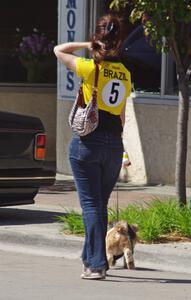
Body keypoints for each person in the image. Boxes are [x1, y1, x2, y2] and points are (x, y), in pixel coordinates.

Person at [54, 13, 132, 280]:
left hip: (88, 142)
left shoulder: (89, 67)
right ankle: (90, 260)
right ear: (119, 40)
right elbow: (121, 114)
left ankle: (97, 264)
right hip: (113, 143)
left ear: (98, 37)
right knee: (98, 204)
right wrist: (123, 149)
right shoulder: (124, 73)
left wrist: (88, 45)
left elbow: (58, 50)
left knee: (90, 204)